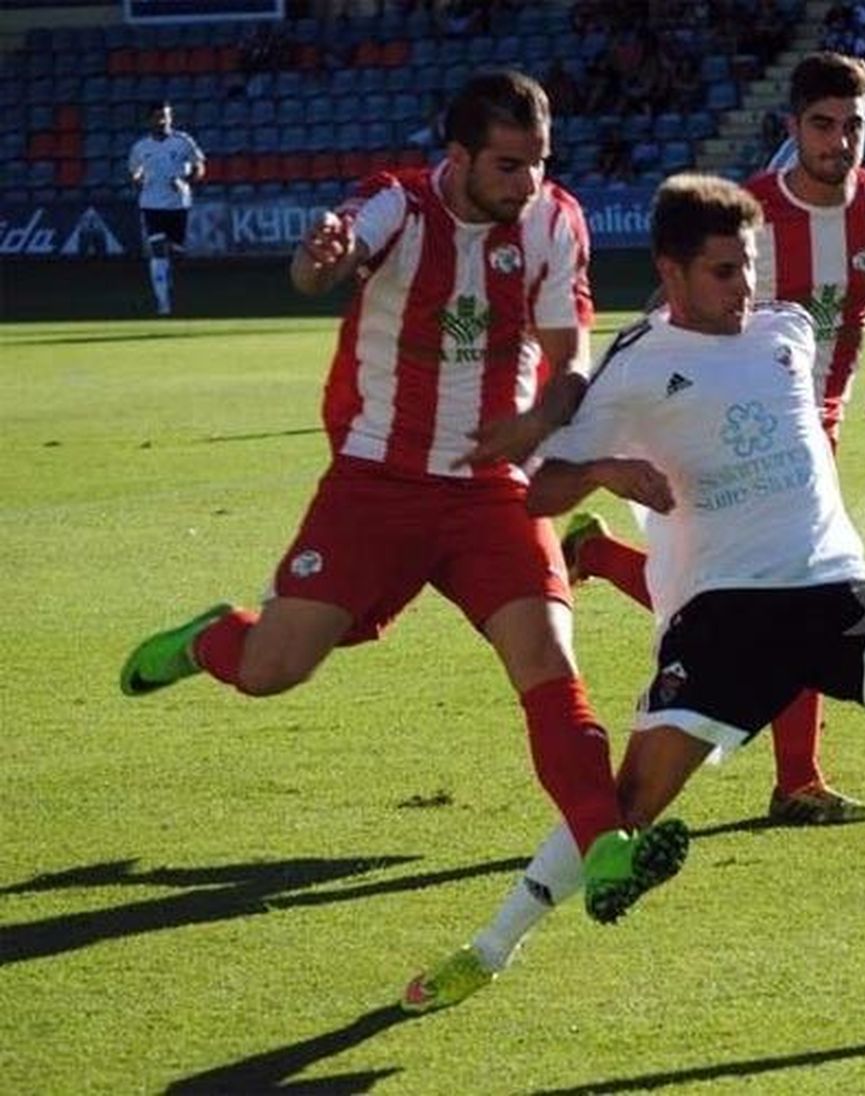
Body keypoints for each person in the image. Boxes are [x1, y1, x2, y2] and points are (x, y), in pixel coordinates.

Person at [400, 173, 865, 1013]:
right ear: (671, 275)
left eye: (747, 266)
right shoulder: (636, 367)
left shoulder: (786, 330)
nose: (744, 286)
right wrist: (604, 469)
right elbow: (538, 487)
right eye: (721, 271)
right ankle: (486, 951)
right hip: (725, 616)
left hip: (836, 592)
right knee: (628, 806)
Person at [117, 72, 688, 975]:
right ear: (456, 159)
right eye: (509, 165)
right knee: (273, 670)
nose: (529, 182)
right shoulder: (396, 205)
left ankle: (605, 843)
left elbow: (569, 345)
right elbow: (321, 268)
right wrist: (321, 255)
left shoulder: (553, 219)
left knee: (547, 661)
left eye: (539, 162)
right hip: (374, 484)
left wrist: (542, 420)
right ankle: (210, 640)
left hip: (491, 490)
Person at [532, 52, 865, 828]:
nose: (838, 142)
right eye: (822, 125)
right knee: (766, 592)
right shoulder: (744, 215)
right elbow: (672, 306)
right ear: (794, 127)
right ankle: (797, 781)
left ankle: (603, 558)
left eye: (853, 126)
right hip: (714, 425)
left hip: (815, 429)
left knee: (762, 587)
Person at [127, 101, 204, 316]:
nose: (163, 121)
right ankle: (163, 303)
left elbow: (200, 167)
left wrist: (185, 179)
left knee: (176, 254)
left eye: (166, 116)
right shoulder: (140, 147)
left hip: (179, 204)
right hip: (152, 205)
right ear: (150, 120)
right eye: (158, 117)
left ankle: (171, 287)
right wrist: (137, 179)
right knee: (158, 251)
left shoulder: (183, 141)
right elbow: (134, 172)